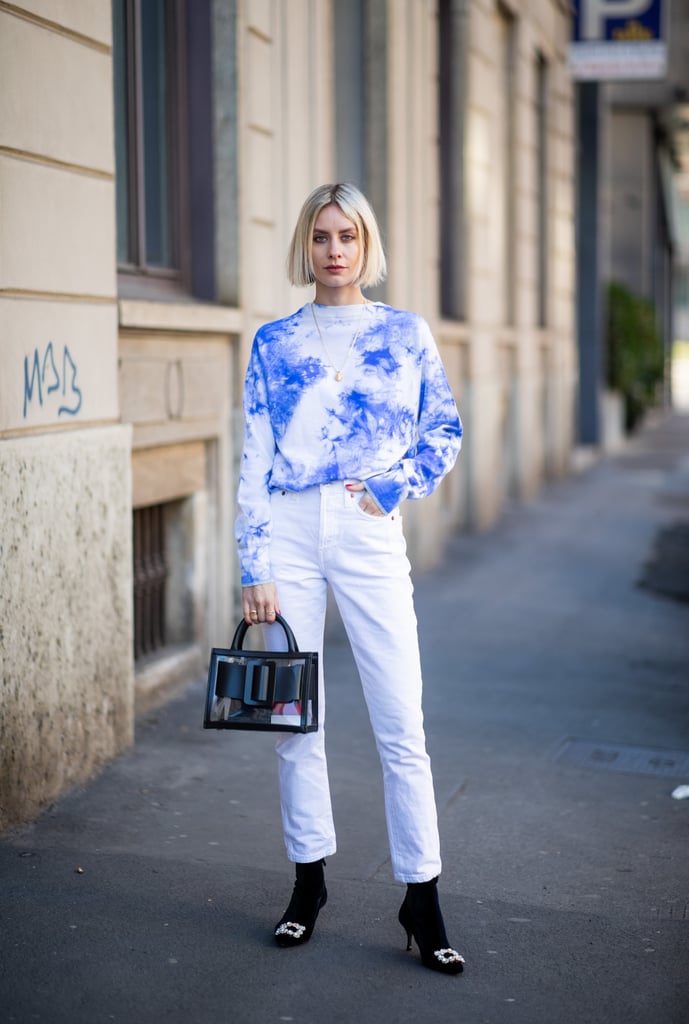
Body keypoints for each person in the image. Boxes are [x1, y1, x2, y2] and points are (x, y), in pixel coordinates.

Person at [235, 183, 465, 974]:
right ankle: (308, 884)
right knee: (295, 721)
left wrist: (392, 487)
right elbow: (254, 458)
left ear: (367, 245)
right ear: (305, 245)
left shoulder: (404, 335)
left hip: (368, 529)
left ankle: (422, 897)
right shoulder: (273, 342)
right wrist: (253, 562)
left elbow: (444, 429)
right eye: (322, 236)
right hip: (291, 529)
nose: (334, 250)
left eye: (348, 236)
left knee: (401, 722)